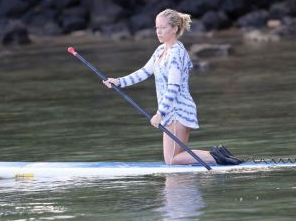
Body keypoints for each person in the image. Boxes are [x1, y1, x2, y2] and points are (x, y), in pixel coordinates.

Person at [103, 9, 242, 166]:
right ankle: (218, 155)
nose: (158, 31)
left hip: (178, 110)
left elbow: (173, 87)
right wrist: (119, 82)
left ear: (174, 29)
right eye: (157, 27)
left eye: (163, 27)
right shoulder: (161, 50)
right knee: (175, 158)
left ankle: (215, 156)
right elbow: (144, 72)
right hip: (171, 111)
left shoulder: (176, 53)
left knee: (172, 160)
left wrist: (159, 113)